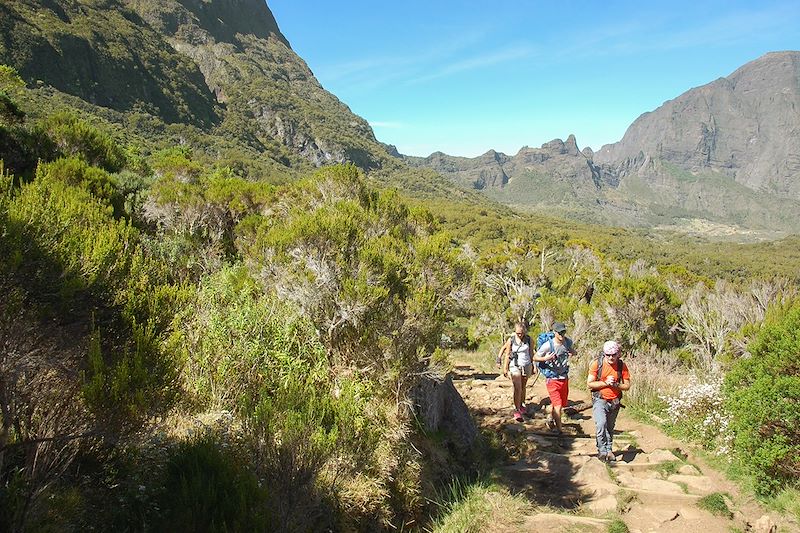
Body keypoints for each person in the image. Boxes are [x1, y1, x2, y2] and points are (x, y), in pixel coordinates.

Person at [587, 340, 631, 462]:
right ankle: (602, 451)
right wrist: (605, 383)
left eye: (614, 354)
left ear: (618, 354)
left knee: (610, 427)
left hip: (615, 401)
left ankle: (608, 449)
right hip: (600, 399)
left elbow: (627, 385)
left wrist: (616, 385)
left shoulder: (622, 366)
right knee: (601, 424)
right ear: (604, 354)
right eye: (608, 355)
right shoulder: (597, 364)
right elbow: (590, 384)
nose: (611, 357)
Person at [533, 321, 575, 434]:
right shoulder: (548, 345)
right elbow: (535, 357)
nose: (562, 334)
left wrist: (572, 352)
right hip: (552, 379)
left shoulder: (567, 342)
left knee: (561, 403)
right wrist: (545, 359)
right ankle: (559, 430)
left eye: (563, 332)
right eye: (560, 332)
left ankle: (549, 416)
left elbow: (573, 351)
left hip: (564, 377)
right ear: (554, 332)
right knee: (558, 405)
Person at [499, 322, 534, 422]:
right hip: (514, 365)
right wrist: (505, 368)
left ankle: (522, 404)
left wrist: (534, 366)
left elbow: (531, 353)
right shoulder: (511, 340)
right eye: (518, 333)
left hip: (526, 365)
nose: (520, 335)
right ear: (515, 331)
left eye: (522, 333)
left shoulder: (529, 340)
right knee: (517, 387)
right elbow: (507, 354)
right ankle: (517, 410)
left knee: (523, 386)